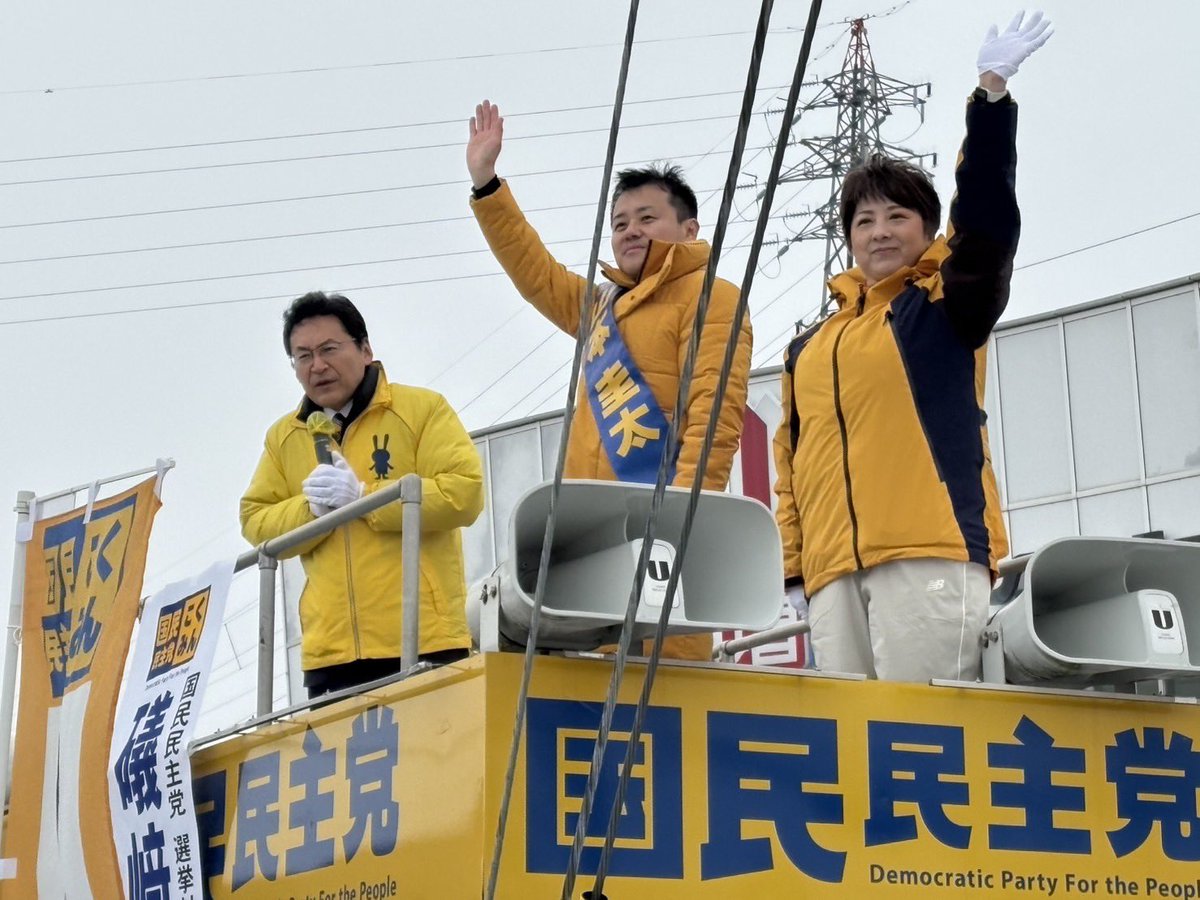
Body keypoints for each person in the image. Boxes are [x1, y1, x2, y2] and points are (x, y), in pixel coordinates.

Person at [772, 11, 1052, 682]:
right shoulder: (809, 347)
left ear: (927, 230)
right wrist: (795, 568)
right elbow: (791, 463)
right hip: (833, 576)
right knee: (850, 740)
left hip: (929, 554)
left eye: (898, 216)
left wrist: (990, 100)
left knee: (927, 731)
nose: (879, 231)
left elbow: (984, 224)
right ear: (848, 238)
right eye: (864, 220)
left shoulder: (943, 305)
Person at [466, 101, 753, 661]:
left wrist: (681, 520)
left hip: (660, 532)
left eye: (647, 218)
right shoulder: (602, 307)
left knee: (665, 686)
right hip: (589, 538)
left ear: (689, 228)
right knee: (584, 691)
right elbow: (536, 272)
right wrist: (487, 185)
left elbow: (713, 420)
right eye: (619, 223)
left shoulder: (713, 297)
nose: (630, 232)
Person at [241, 291, 484, 697]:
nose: (317, 366)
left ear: (365, 349)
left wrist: (366, 498)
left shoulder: (421, 409)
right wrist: (310, 512)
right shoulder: (284, 437)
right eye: (303, 356)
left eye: (329, 349)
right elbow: (254, 520)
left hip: (425, 640)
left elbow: (465, 492)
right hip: (330, 657)